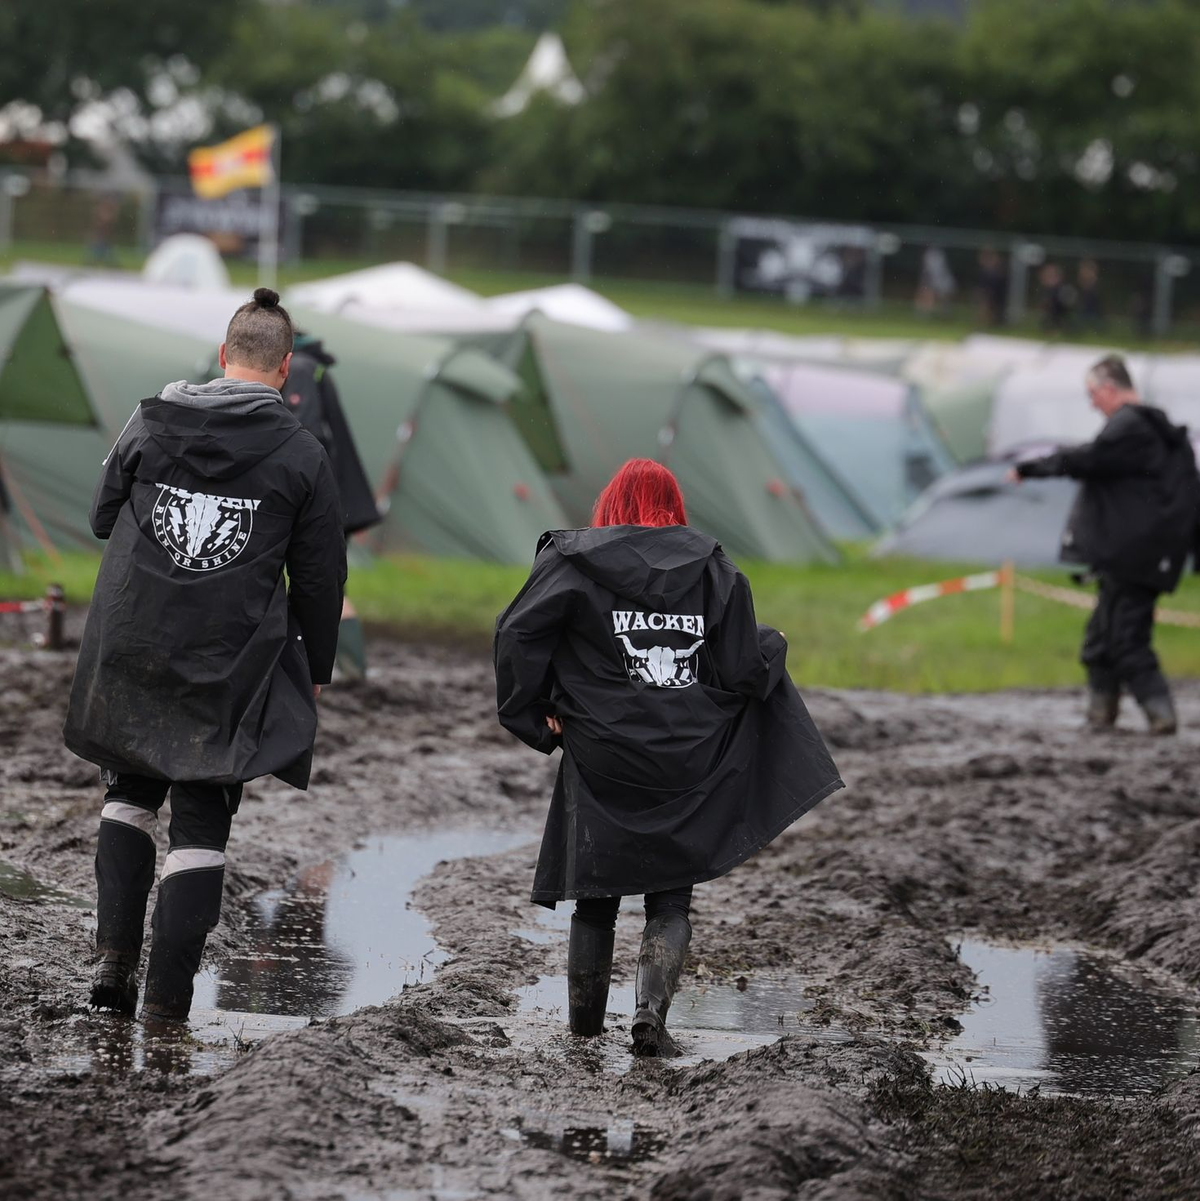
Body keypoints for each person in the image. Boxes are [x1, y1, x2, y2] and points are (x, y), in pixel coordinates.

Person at [493, 459, 842, 1057]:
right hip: (685, 756)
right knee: (670, 898)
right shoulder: (713, 567)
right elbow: (740, 671)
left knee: (595, 894)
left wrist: (535, 713)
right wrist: (773, 647)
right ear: (673, 506)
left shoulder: (571, 561)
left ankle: (582, 1032)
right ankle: (650, 1017)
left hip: (599, 751)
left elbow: (515, 634)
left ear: (610, 504)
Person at [64, 287, 346, 1022]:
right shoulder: (303, 451)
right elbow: (321, 579)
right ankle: (165, 1004)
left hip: (134, 640)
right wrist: (315, 670)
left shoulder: (149, 418)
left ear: (223, 357)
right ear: (285, 370)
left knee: (128, 794)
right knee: (200, 823)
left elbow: (100, 515)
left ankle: (112, 966)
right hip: (228, 661)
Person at [1010, 355, 1200, 734]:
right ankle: (1101, 716)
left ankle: (1162, 719)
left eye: (1092, 394)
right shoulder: (1159, 433)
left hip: (1135, 556)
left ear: (1109, 388)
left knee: (1126, 640)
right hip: (1138, 555)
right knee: (1100, 640)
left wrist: (1029, 468)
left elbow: (1087, 459)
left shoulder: (1131, 427)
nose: (1091, 403)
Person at [285, 334, 382, 678]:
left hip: (320, 499)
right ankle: (349, 668)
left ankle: (349, 669)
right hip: (335, 495)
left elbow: (304, 432)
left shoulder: (297, 368)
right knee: (329, 583)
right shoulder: (314, 368)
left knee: (324, 584)